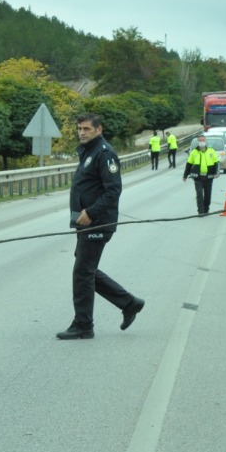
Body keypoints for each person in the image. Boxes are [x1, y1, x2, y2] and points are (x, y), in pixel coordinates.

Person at [58, 114, 145, 339]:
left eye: (87, 129)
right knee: (86, 270)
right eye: (79, 129)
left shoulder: (104, 153)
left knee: (82, 272)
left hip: (98, 222)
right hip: (85, 222)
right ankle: (129, 303)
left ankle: (84, 325)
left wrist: (92, 212)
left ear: (99, 129)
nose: (82, 133)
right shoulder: (88, 151)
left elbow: (113, 189)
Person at [183, 133, 220, 215]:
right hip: (198, 177)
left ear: (206, 141)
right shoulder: (194, 152)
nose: (201, 142)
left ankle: (206, 209)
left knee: (207, 195)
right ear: (197, 141)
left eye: (203, 140)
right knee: (199, 194)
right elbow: (189, 164)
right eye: (200, 140)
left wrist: (216, 173)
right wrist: (185, 175)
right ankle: (200, 211)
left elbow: (216, 163)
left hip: (209, 177)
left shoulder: (211, 151)